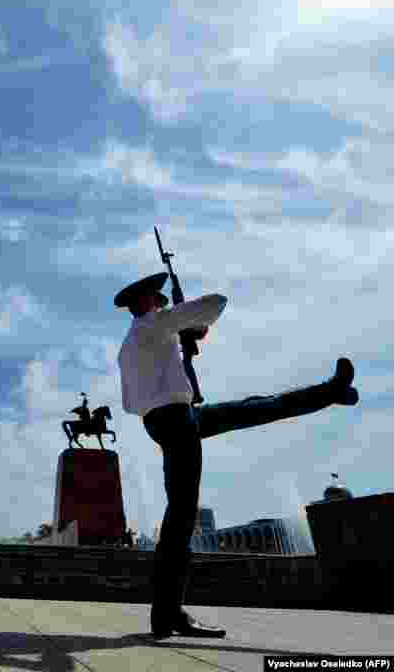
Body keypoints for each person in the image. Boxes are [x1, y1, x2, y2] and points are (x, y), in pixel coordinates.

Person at [114, 272, 358, 640]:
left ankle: (330, 391)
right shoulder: (155, 326)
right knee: (180, 519)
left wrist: (186, 338)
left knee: (257, 407)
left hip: (172, 419)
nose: (163, 303)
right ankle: (167, 616)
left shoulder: (134, 342)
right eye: (159, 299)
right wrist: (186, 321)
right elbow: (217, 303)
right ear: (145, 302)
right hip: (177, 420)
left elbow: (141, 394)